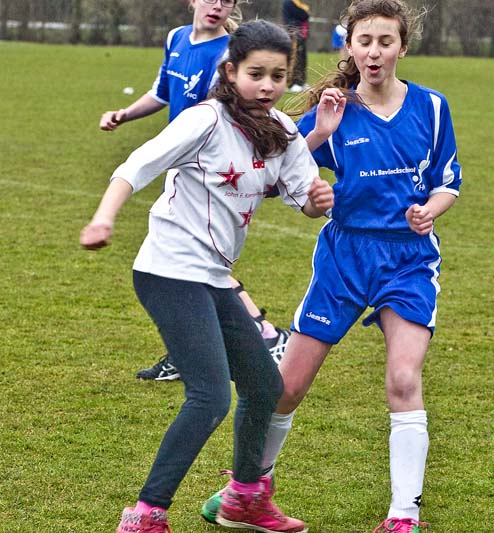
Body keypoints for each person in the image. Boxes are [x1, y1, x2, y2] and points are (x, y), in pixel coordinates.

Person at [200, 1, 462, 531]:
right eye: (364, 41)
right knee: (286, 387)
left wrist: (430, 211)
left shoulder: (432, 107)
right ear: (349, 47)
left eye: (386, 42)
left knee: (404, 379)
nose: (374, 52)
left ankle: (402, 515)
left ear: (402, 48)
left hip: (408, 261)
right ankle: (248, 490)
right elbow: (274, 167)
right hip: (344, 256)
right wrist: (320, 130)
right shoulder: (333, 107)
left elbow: (447, 180)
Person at [81, 19, 333, 533]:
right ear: (231, 70)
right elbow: (137, 163)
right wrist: (104, 218)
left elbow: (305, 197)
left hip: (213, 278)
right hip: (167, 272)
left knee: (264, 386)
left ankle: (245, 499)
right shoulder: (206, 120)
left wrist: (317, 200)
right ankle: (145, 515)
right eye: (256, 74)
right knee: (212, 394)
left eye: (279, 76)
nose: (267, 86)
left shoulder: (282, 132)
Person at [98, 0, 291, 382]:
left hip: (208, 169)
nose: (217, 5)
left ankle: (266, 335)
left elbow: (224, 112)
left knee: (196, 264)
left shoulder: (228, 52)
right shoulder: (177, 38)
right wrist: (126, 113)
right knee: (182, 266)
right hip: (179, 166)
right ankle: (190, 351)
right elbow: (163, 91)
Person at [283, 0, 311, 92]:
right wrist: (306, 11)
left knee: (302, 58)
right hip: (293, 32)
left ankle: (301, 82)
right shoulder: (289, 2)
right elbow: (304, 14)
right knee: (295, 58)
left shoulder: (299, 2)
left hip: (301, 34)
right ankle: (292, 83)